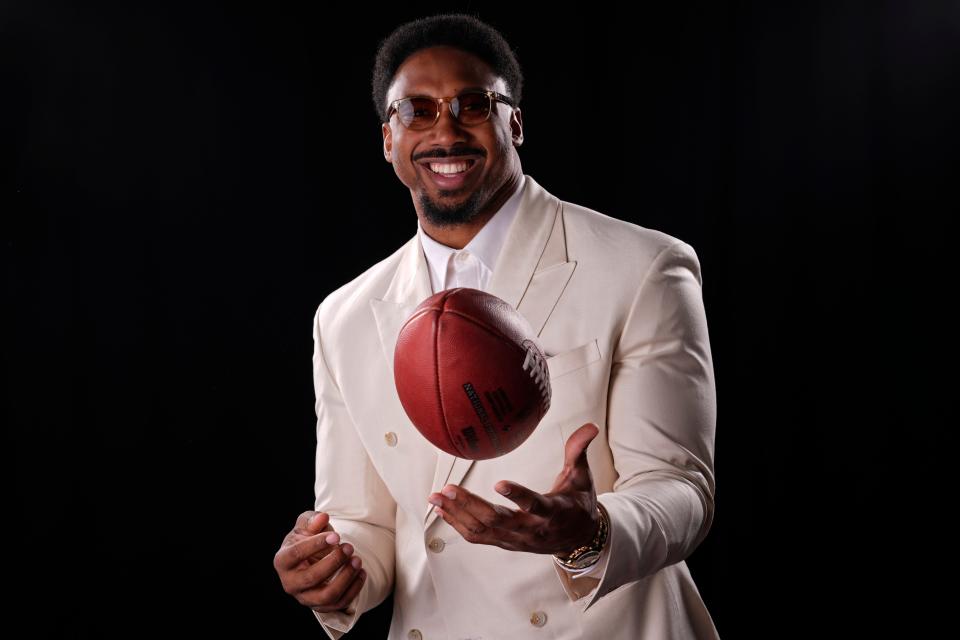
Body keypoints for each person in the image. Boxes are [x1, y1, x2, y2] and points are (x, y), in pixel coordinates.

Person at [273, 13, 719, 640]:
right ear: (387, 138)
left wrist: (590, 534)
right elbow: (361, 522)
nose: (445, 130)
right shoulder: (343, 315)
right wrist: (334, 568)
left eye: (473, 104)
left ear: (514, 121)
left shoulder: (642, 267)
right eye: (417, 111)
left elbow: (680, 487)